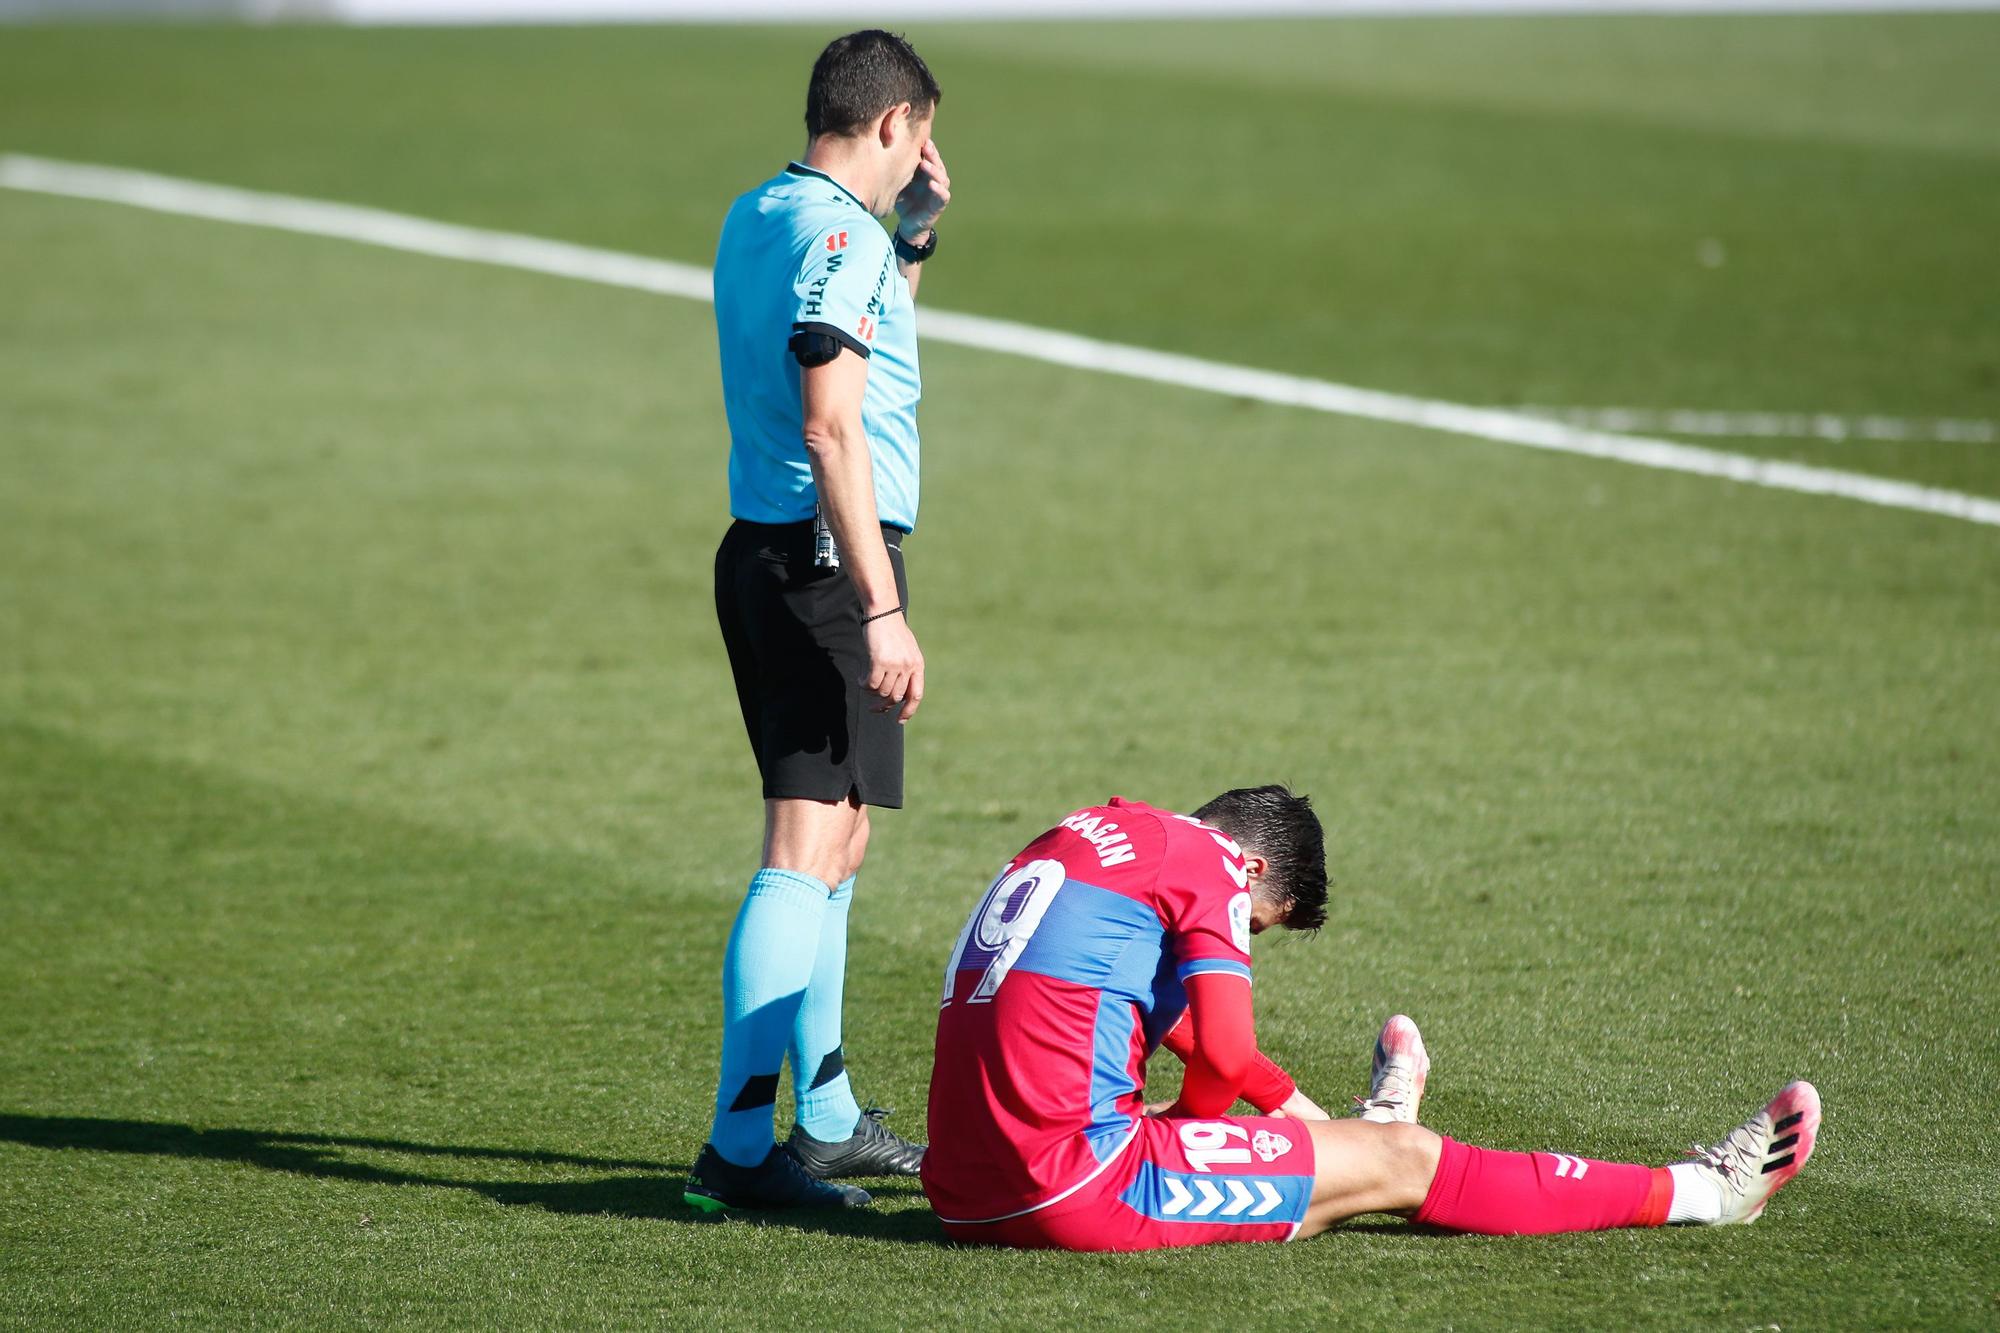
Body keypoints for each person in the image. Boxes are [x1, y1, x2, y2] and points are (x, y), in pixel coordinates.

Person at [922, 788, 1821, 1249]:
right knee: (1408, 1162)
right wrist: (1202, 1120)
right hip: (1072, 1189)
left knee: (1346, 1157)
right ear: (1254, 869)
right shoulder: (1213, 866)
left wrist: (1289, 1113)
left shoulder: (1090, 834)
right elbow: (1224, 1053)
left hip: (964, 1191)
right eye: (1259, 927)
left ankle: (1352, 1137)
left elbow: (1129, 1009)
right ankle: (1705, 1192)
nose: (1244, 936)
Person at [685, 29, 952, 1214]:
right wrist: (879, 608)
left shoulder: (765, 214)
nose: (924, 159)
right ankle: (739, 1151)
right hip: (824, 565)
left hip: (768, 553)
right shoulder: (838, 236)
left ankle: (829, 1112)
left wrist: (917, 240)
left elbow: (859, 333)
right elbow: (832, 422)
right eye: (922, 136)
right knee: (803, 846)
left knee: (838, 839)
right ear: (890, 123)